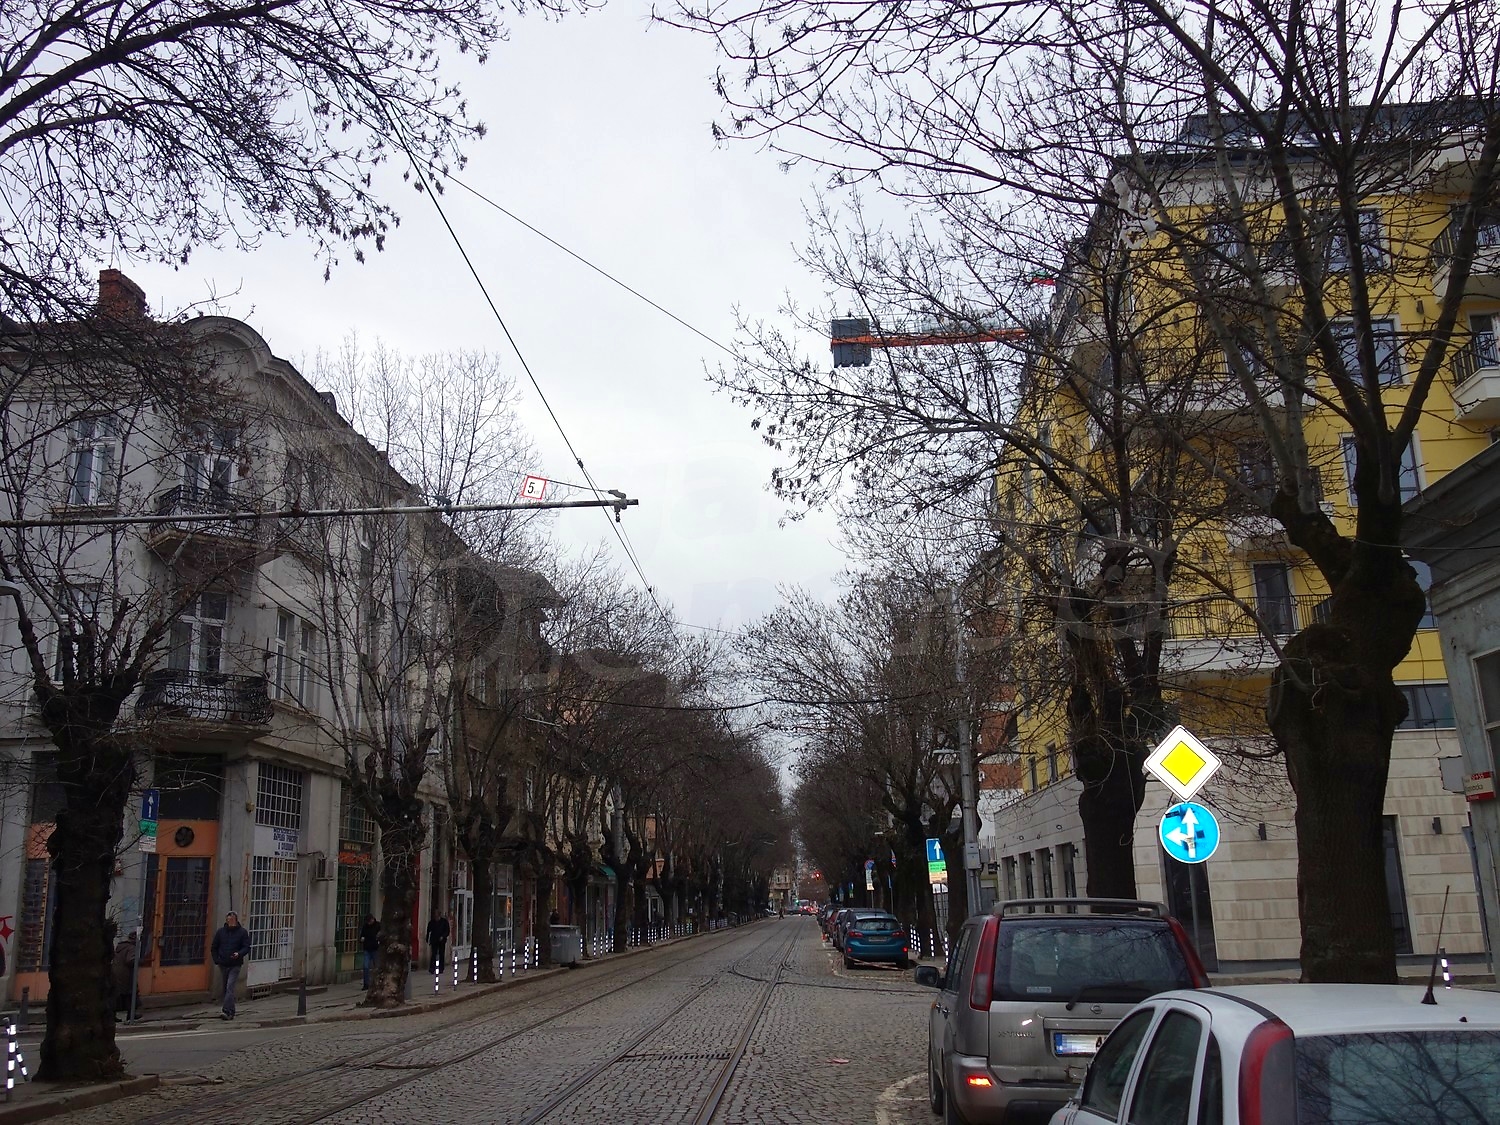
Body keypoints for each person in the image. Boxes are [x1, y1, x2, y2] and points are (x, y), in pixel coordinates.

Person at [210, 911, 251, 1020]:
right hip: (223, 964)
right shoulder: (221, 932)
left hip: (235, 964)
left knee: (230, 986)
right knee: (226, 989)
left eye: (232, 920)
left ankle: (226, 1011)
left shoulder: (242, 932)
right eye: (229, 920)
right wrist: (217, 960)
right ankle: (231, 1011)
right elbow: (214, 947)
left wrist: (239, 954)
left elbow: (246, 947)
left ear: (236, 920)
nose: (230, 922)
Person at [112, 931, 137, 1020]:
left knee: (117, 995)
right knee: (131, 994)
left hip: (116, 973)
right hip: (126, 974)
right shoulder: (132, 947)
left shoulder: (120, 946)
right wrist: (139, 961)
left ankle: (113, 1016)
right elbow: (130, 960)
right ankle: (131, 1015)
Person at [360, 914, 380, 990]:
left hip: (375, 949)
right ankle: (366, 984)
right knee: (365, 967)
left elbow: (381, 935)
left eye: (369, 921)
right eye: (367, 922)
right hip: (367, 949)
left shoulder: (378, 925)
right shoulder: (365, 926)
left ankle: (378, 983)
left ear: (372, 919)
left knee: (377, 967)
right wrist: (361, 939)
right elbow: (362, 935)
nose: (368, 923)